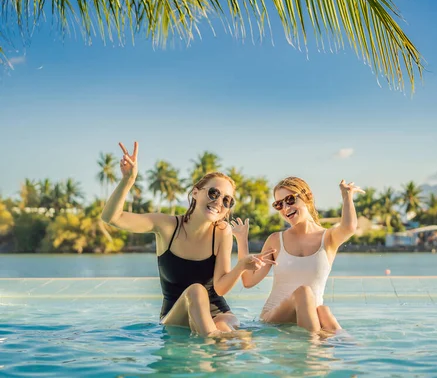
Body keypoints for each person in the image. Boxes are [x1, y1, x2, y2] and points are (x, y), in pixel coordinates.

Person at [101, 141, 275, 336]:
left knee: (226, 326)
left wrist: (241, 265)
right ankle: (213, 341)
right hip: (176, 318)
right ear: (195, 192)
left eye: (227, 200)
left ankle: (226, 350)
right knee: (196, 291)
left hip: (218, 313)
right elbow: (111, 217)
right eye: (213, 193)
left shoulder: (222, 232)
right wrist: (128, 180)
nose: (218, 202)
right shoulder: (166, 226)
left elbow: (220, 287)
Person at [231, 176, 364, 333]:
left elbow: (349, 227)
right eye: (279, 205)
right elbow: (249, 281)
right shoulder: (275, 240)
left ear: (308, 196)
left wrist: (346, 196)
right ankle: (314, 348)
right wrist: (241, 240)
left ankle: (346, 346)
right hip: (274, 317)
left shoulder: (328, 239)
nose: (286, 208)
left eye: (290, 200)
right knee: (304, 292)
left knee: (324, 312)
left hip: (311, 316)